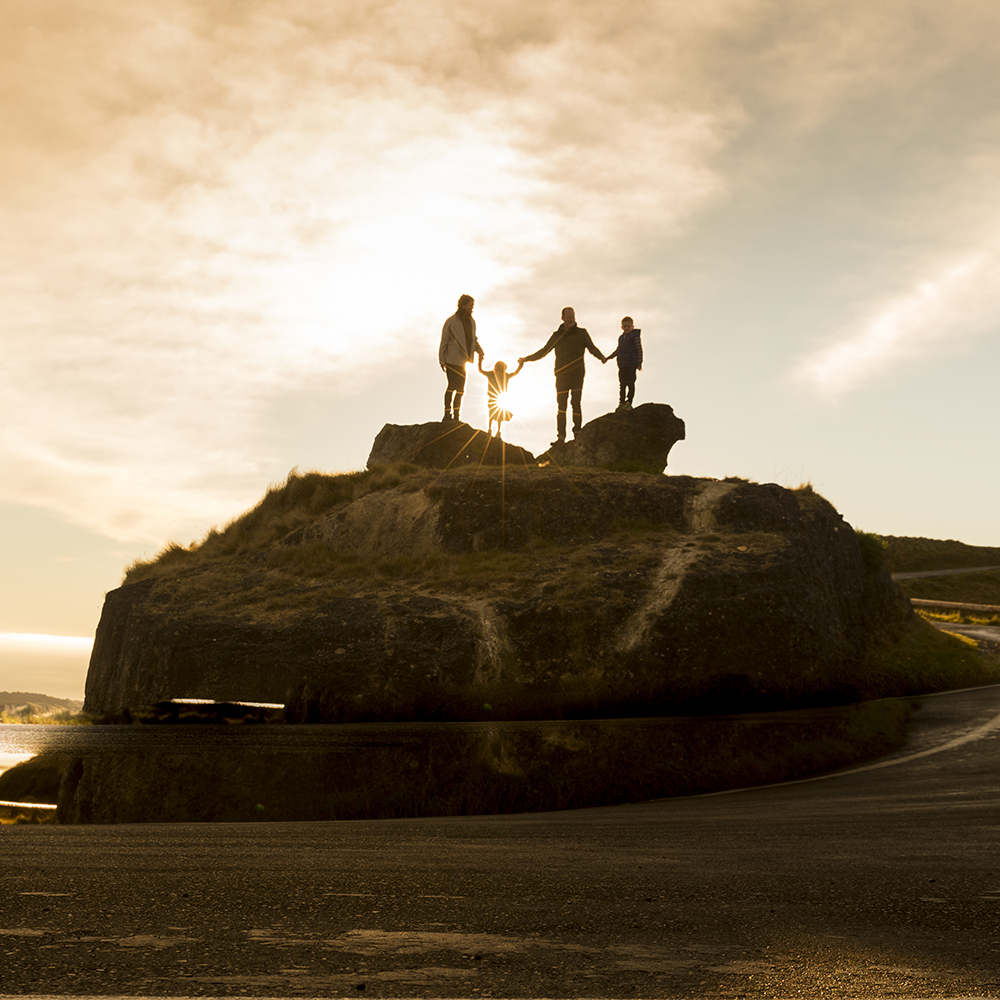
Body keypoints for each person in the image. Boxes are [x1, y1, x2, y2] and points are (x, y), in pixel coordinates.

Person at [519, 307, 606, 446]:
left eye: (573, 317)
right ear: (562, 318)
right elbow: (543, 351)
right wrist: (526, 359)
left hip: (577, 373)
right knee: (562, 406)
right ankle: (561, 437)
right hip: (561, 375)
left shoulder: (582, 333)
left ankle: (577, 432)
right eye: (568, 317)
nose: (571, 319)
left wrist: (601, 356)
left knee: (576, 403)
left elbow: (591, 347)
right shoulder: (556, 336)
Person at [438, 294, 484, 423]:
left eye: (472, 306)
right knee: (452, 386)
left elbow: (473, 340)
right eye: (470, 305)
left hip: (463, 361)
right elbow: (444, 341)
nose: (472, 308)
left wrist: (479, 350)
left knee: (461, 389)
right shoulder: (451, 321)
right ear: (463, 305)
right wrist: (441, 359)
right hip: (451, 359)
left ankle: (457, 416)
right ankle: (447, 414)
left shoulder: (471, 322)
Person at [477, 357, 524, 438]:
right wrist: (520, 365)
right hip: (496, 398)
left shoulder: (493, 374)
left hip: (499, 398)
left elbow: (480, 370)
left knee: (496, 415)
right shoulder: (501, 375)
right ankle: (493, 430)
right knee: (494, 415)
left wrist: (480, 361)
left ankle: (495, 431)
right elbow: (515, 372)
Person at [605, 316, 643, 411]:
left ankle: (629, 402)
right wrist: (609, 357)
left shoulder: (635, 337)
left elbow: (639, 349)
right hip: (622, 365)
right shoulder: (621, 338)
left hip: (631, 364)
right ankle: (621, 403)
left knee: (631, 384)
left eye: (628, 326)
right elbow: (618, 350)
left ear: (632, 326)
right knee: (622, 385)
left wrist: (639, 363)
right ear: (621, 327)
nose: (626, 328)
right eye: (624, 326)